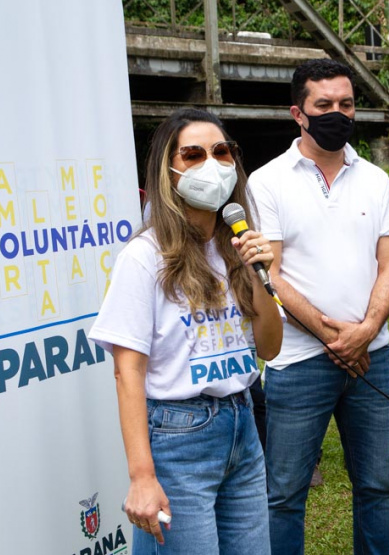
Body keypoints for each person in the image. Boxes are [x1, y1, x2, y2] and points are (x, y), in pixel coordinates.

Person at [89, 108, 282, 553]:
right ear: (169, 171)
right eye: (193, 155)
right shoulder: (144, 256)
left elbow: (269, 348)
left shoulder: (238, 245)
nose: (211, 165)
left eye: (221, 152)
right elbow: (128, 372)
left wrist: (257, 273)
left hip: (243, 426)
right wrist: (142, 477)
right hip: (179, 436)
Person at [248, 59, 389, 555]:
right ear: (299, 112)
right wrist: (333, 336)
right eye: (324, 105)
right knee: (285, 493)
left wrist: (368, 329)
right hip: (297, 361)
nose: (338, 113)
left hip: (372, 356)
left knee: (377, 486)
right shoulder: (267, 182)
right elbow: (269, 273)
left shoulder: (376, 179)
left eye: (346, 104)